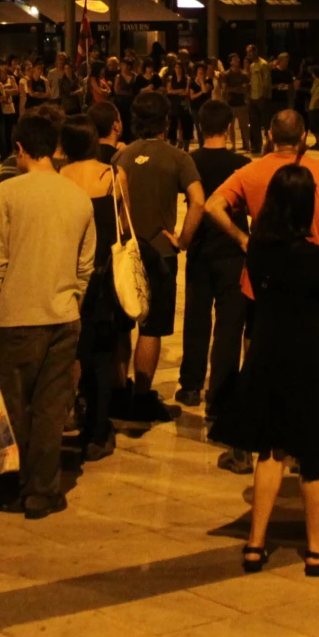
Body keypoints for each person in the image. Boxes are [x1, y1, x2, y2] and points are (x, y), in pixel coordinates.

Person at [207, 163, 319, 575]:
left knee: (270, 451)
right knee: (313, 455)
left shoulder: (258, 252)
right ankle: (316, 550)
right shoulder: (315, 256)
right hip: (312, 358)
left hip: (269, 353)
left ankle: (254, 544)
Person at [0, 109, 96, 519]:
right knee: (51, 407)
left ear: (20, 148)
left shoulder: (8, 193)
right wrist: (73, 301)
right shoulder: (78, 196)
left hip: (16, 316)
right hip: (63, 317)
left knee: (12, 406)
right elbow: (85, 264)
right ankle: (42, 491)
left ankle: (11, 482)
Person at [117, 91, 205, 418]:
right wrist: (182, 239)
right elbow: (198, 201)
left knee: (121, 325)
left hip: (125, 252)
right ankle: (142, 397)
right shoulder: (178, 158)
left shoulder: (121, 157)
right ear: (166, 122)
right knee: (151, 328)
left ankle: (117, 390)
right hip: (160, 252)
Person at [56, 120, 128, 461]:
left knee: (72, 352)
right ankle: (98, 431)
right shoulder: (111, 176)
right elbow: (124, 224)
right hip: (104, 277)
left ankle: (73, 414)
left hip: (69, 276)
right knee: (102, 355)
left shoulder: (60, 179)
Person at [179, 101, 249, 411]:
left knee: (196, 320)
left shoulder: (189, 162)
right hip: (233, 252)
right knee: (229, 326)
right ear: (229, 126)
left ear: (199, 126)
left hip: (199, 251)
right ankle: (219, 395)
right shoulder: (243, 164)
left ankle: (191, 385)